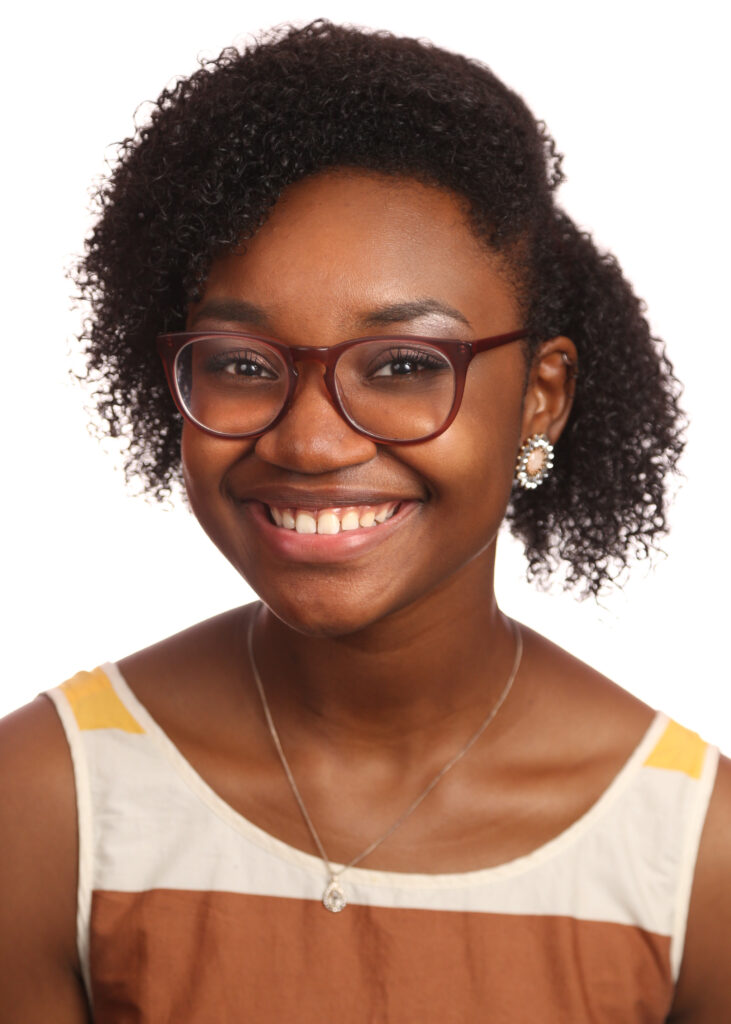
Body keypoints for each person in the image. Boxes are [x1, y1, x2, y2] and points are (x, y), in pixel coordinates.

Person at [0, 19, 728, 1022]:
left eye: (401, 367)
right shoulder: (47, 806)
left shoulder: (693, 856)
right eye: (243, 364)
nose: (306, 442)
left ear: (540, 396)